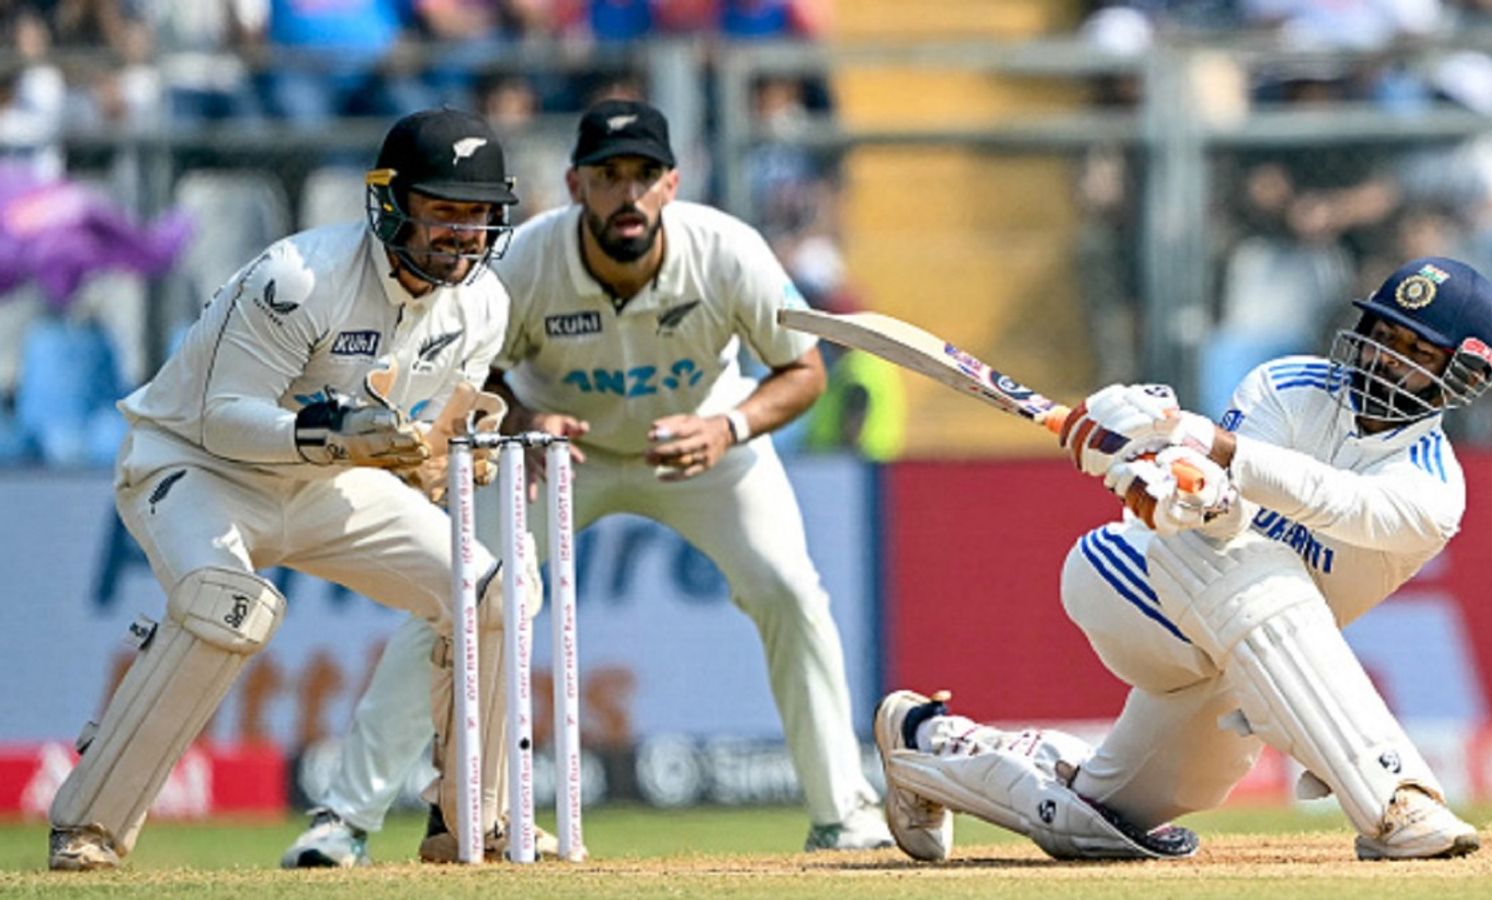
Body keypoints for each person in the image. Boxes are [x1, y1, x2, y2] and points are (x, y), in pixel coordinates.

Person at [281, 98, 892, 866]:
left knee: (791, 592)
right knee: (460, 595)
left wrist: (727, 426)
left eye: (643, 176)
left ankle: (844, 813)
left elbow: (801, 369)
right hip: (556, 453)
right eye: (608, 177)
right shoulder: (530, 260)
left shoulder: (728, 251)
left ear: (671, 185)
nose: (626, 195)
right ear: (575, 185)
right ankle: (344, 819)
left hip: (703, 443)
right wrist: (525, 417)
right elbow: (471, 363)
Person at [873, 256, 1492, 863]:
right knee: (1256, 566)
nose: (1386, 361)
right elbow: (1223, 522)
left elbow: (1336, 500)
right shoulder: (1286, 386)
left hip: (1244, 659)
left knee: (1098, 818)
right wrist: (1165, 483)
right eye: (1384, 336)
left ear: (1463, 378)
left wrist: (1211, 449)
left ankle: (928, 744)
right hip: (1136, 582)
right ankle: (1396, 799)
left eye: (1418, 354)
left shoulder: (1433, 492)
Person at [49, 107, 528, 871]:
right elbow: (219, 418)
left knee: (492, 592)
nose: (464, 234)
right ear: (392, 204)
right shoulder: (300, 278)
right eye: (443, 212)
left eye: (479, 216)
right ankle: (89, 827)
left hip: (328, 486)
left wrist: (447, 455)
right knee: (227, 607)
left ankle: (474, 822)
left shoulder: (484, 305)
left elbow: (426, 446)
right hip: (194, 465)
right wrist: (331, 435)